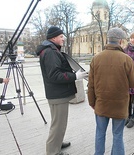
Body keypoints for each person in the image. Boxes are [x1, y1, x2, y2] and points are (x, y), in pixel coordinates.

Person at [36, 26, 88, 155]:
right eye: (61, 36)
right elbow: (54, 75)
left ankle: (57, 143)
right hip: (57, 95)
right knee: (58, 125)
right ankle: (53, 151)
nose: (63, 39)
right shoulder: (50, 52)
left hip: (57, 93)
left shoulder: (52, 50)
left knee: (59, 123)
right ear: (53, 37)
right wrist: (75, 76)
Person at [87, 27, 134, 155]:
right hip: (119, 105)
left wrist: (92, 102)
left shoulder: (96, 58)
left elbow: (91, 85)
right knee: (117, 135)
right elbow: (133, 83)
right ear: (120, 41)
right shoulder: (126, 59)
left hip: (101, 104)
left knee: (100, 133)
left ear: (108, 40)